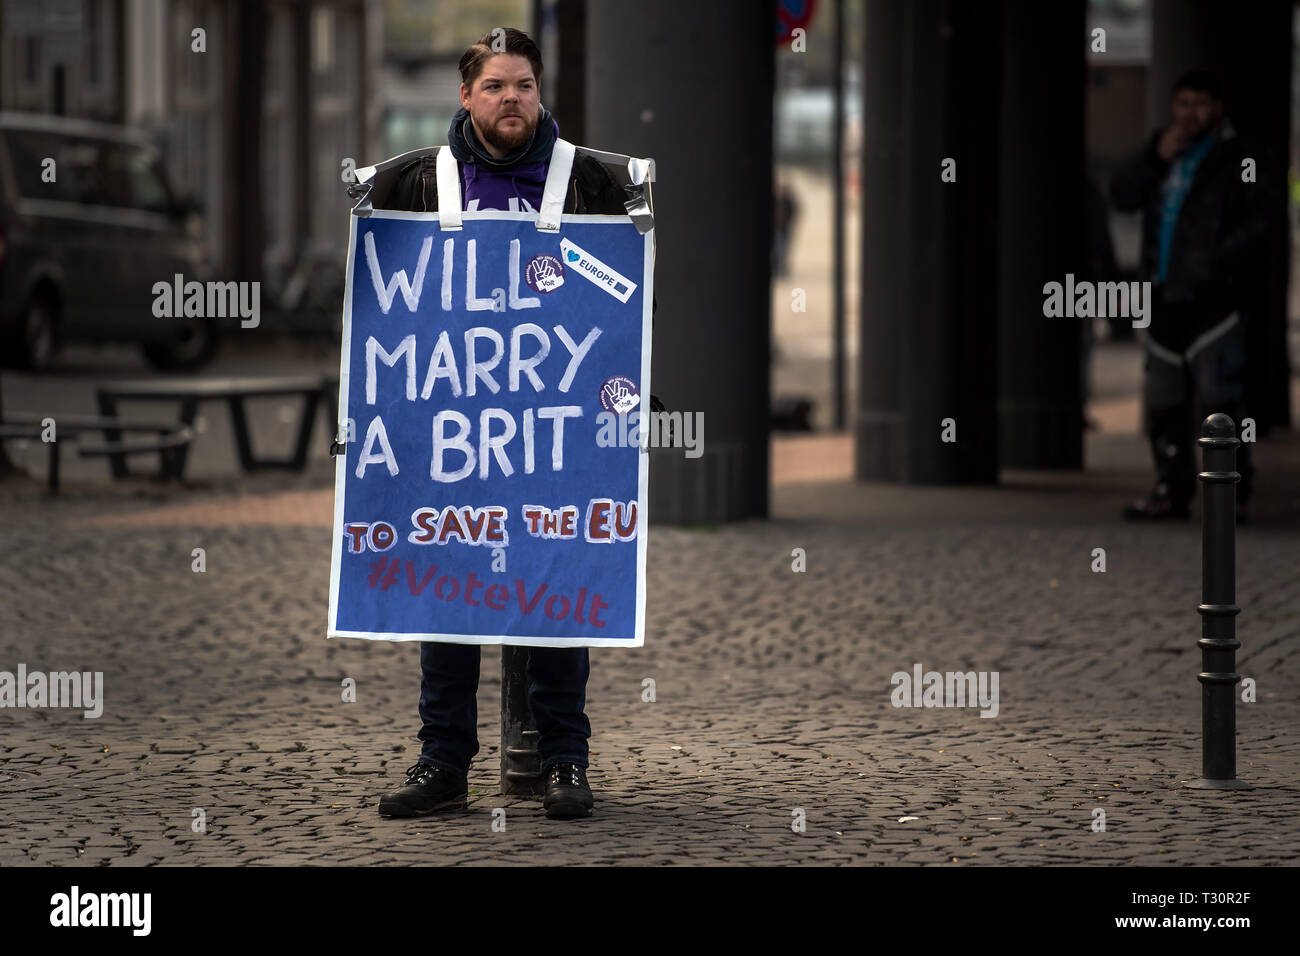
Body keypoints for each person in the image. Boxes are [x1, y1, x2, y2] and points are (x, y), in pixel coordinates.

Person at [372, 27, 653, 820]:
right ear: (465, 96)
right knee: (446, 593)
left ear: (540, 91)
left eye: (524, 85)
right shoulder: (412, 185)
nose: (511, 100)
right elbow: (379, 314)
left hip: (560, 435)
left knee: (560, 589)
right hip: (452, 438)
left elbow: (630, 302)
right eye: (495, 86)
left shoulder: (598, 182)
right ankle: (444, 763)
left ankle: (566, 761)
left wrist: (623, 393)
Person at [1110, 70, 1268, 522]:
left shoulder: (1240, 156)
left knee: (1221, 399)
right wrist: (1154, 159)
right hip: (1163, 298)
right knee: (1164, 402)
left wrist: (1217, 264)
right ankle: (1170, 489)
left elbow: (1262, 223)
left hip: (1215, 303)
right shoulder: (1163, 151)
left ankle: (1230, 491)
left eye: (1200, 104)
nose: (1189, 114)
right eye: (1182, 104)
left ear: (1218, 107)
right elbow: (1121, 195)